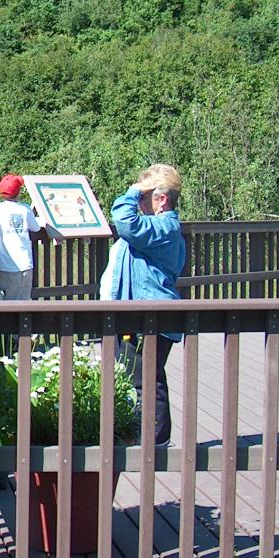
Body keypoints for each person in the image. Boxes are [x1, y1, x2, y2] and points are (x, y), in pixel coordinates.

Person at [109, 164, 185, 445]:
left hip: (150, 316)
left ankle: (153, 443)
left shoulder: (163, 226)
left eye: (143, 196)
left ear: (161, 199)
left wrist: (131, 192)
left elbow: (126, 223)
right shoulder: (159, 227)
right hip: (143, 314)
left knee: (145, 380)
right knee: (144, 377)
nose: (138, 202)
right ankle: (152, 440)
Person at [0, 174, 40, 300]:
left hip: (6, 265)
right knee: (24, 300)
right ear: (18, 192)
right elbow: (36, 228)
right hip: (26, 263)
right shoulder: (25, 209)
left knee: (8, 303)